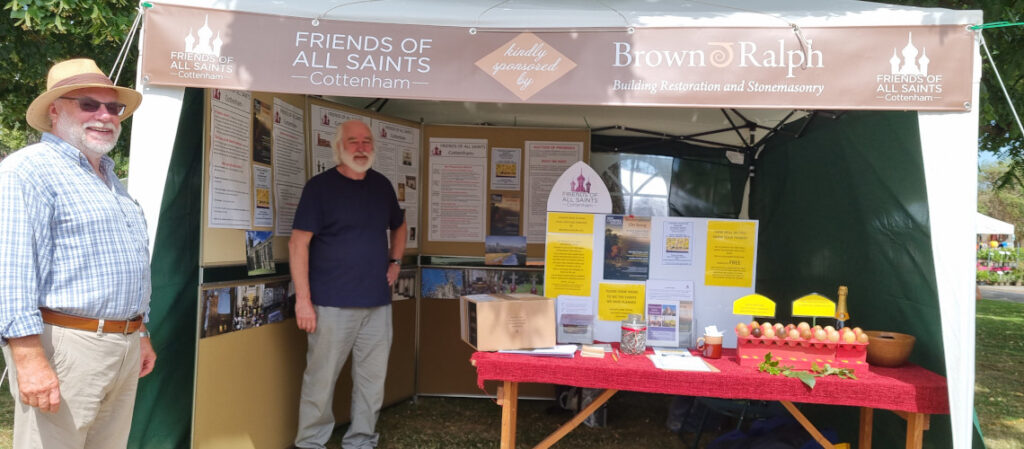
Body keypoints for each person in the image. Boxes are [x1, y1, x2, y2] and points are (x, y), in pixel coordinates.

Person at [0, 58, 157, 448]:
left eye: (113, 107)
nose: (104, 115)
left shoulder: (108, 177)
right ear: (55, 110)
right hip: (64, 345)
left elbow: (128, 264)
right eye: (88, 104)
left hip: (122, 344)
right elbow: (10, 271)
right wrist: (29, 359)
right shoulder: (28, 170)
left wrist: (141, 332)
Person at [291, 120, 406, 449]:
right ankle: (310, 443)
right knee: (321, 382)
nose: (361, 147)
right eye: (353, 141)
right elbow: (298, 243)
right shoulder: (319, 188)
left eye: (367, 141)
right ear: (338, 146)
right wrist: (303, 301)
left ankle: (361, 442)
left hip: (377, 303)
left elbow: (399, 225)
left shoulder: (382, 185)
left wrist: (395, 262)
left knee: (372, 384)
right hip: (330, 304)